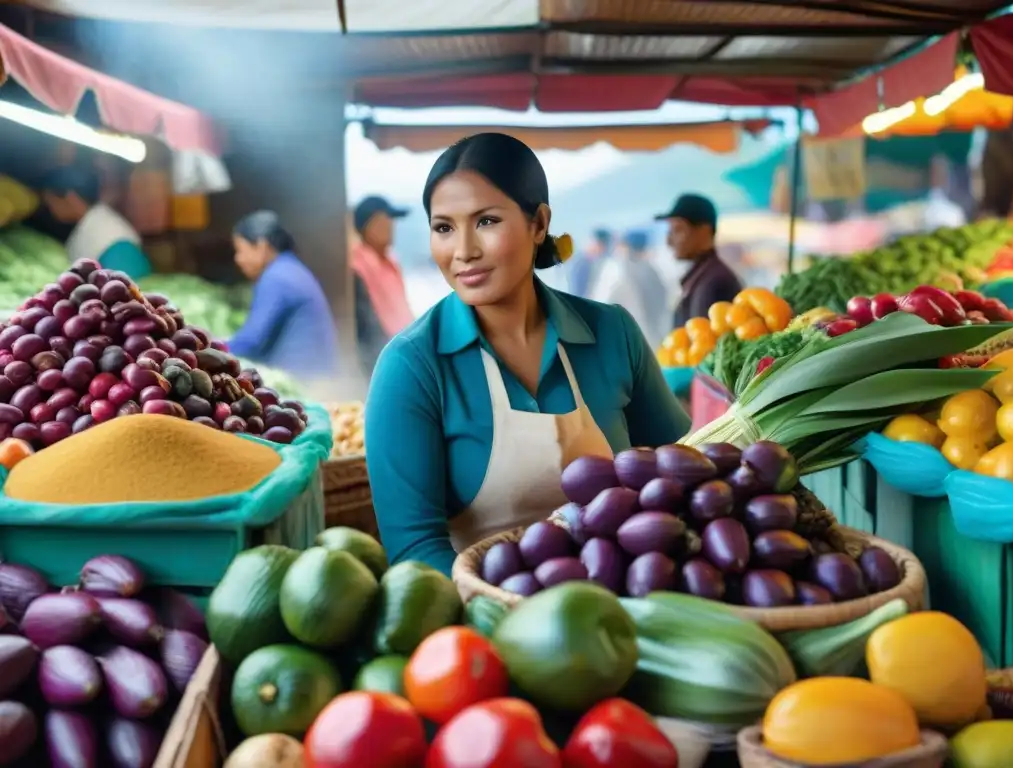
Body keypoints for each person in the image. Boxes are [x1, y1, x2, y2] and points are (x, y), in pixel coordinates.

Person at [365, 133, 690, 574]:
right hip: (483, 621)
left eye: (486, 222)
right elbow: (415, 547)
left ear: (539, 224)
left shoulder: (612, 334)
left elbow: (678, 474)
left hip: (622, 609)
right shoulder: (412, 367)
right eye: (444, 227)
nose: (463, 251)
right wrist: (513, 610)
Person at [227, 210, 340, 379]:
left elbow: (251, 341)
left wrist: (209, 349)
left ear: (262, 246)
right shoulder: (290, 268)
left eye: (241, 250)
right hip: (320, 376)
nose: (238, 259)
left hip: (304, 382)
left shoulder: (276, 278)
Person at [41, 164, 152, 280]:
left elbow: (126, 287)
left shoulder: (110, 236)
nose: (51, 210)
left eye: (51, 203)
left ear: (70, 198)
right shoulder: (94, 220)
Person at [351, 195, 415, 376]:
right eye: (384, 220)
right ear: (367, 226)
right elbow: (368, 330)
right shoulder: (357, 269)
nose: (391, 226)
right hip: (382, 362)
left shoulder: (391, 263)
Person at [656, 193, 742, 328]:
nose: (669, 241)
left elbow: (707, 345)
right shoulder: (704, 276)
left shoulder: (716, 281)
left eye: (678, 230)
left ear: (704, 232)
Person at [590, 229, 670, 347]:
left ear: (625, 246)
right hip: (654, 340)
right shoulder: (652, 271)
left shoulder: (616, 271)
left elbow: (599, 306)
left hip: (626, 342)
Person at [565, 227, 611, 297]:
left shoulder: (596, 263)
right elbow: (577, 290)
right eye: (600, 245)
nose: (602, 250)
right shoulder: (581, 263)